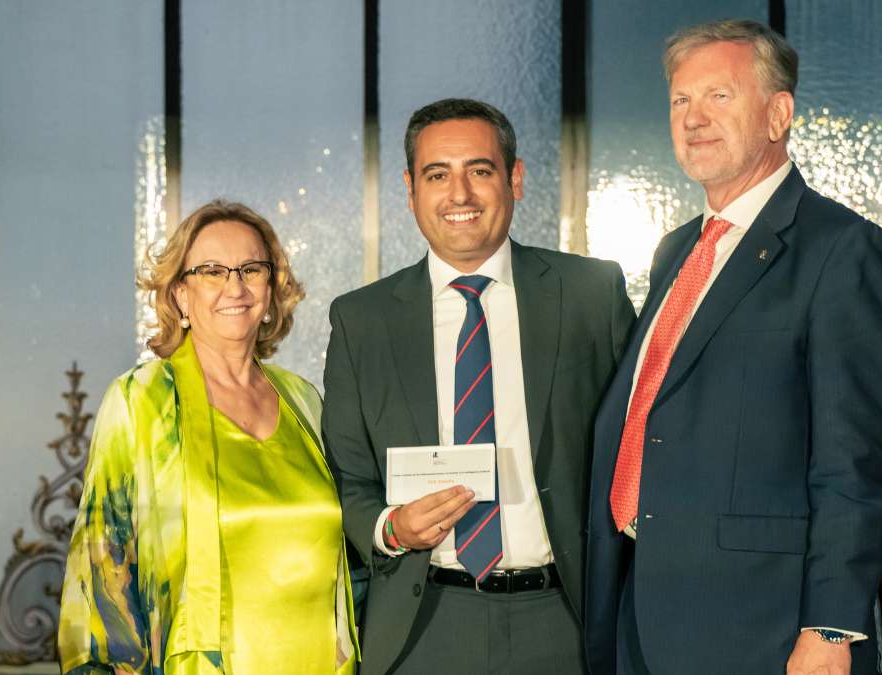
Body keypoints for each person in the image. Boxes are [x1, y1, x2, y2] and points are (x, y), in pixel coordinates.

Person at [585, 20, 882, 675]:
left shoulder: (841, 249)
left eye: (719, 96)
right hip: (641, 613)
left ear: (778, 114)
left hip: (763, 628)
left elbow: (854, 461)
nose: (693, 117)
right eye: (680, 100)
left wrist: (830, 627)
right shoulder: (678, 250)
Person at [323, 98, 636, 675]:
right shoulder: (362, 320)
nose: (459, 194)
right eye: (437, 175)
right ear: (410, 190)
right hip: (423, 626)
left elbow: (641, 445)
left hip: (566, 620)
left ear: (515, 179)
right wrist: (390, 527)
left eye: (480, 170)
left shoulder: (590, 294)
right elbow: (346, 476)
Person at [58, 200, 359, 674]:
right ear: (180, 295)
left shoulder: (304, 401)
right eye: (212, 271)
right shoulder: (141, 401)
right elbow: (101, 570)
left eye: (251, 269)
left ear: (270, 289)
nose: (234, 287)